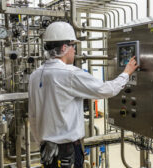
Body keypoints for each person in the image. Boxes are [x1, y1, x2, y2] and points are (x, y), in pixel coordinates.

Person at [28, 21, 138, 168]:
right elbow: (106, 90)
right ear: (64, 47)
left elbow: (33, 116)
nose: (75, 50)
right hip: (67, 151)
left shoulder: (35, 75)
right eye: (73, 46)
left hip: (47, 150)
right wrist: (126, 73)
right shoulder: (70, 74)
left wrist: (43, 141)